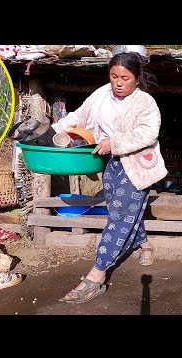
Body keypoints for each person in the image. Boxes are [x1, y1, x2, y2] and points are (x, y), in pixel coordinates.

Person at [51, 51, 168, 303]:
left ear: (137, 79)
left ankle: (97, 274)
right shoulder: (102, 94)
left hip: (136, 165)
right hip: (112, 164)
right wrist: (52, 131)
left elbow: (147, 134)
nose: (117, 82)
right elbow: (79, 117)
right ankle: (144, 243)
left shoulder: (145, 102)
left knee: (119, 218)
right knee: (121, 211)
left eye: (124, 78)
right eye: (113, 76)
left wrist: (114, 142)